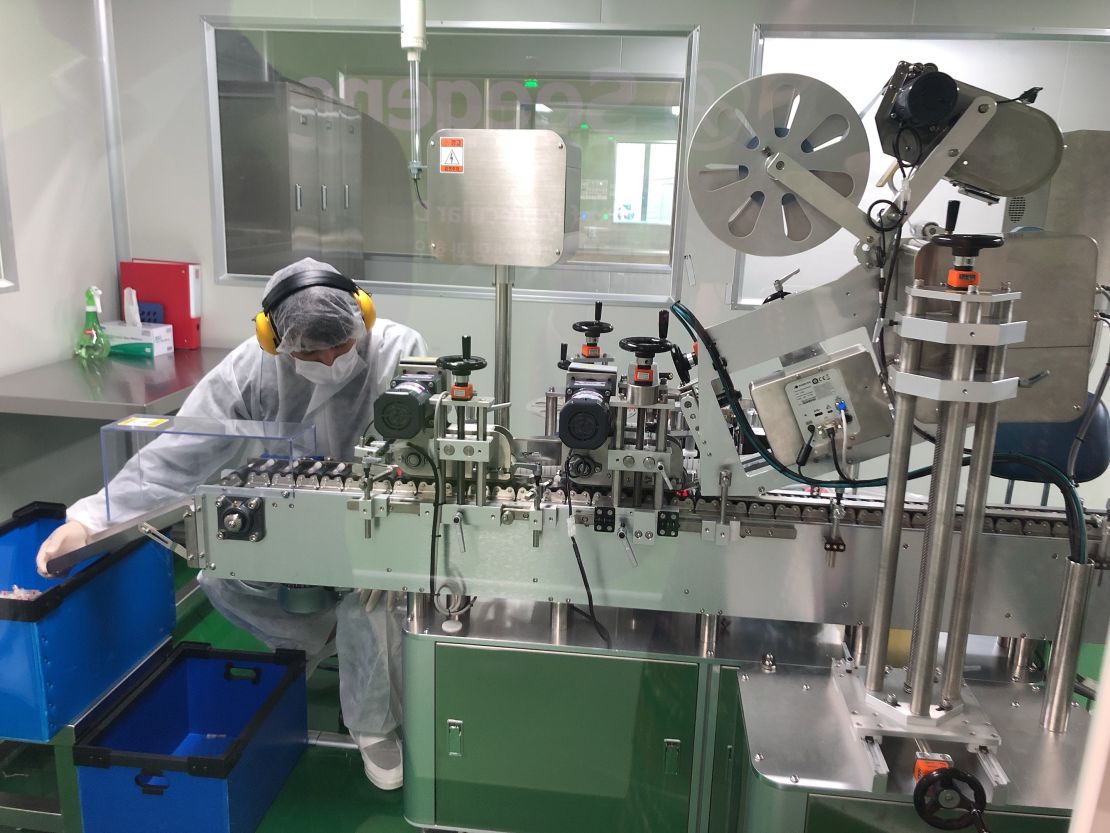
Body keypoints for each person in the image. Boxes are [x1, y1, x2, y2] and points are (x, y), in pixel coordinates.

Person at [34, 258, 426, 791]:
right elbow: (181, 449)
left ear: (362, 320)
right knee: (223, 579)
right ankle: (309, 645)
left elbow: (425, 461)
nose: (331, 361)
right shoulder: (252, 367)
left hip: (377, 520)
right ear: (273, 339)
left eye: (341, 347)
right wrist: (89, 520)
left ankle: (374, 725)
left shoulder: (399, 351)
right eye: (311, 353)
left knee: (375, 600)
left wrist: (393, 544)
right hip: (289, 517)